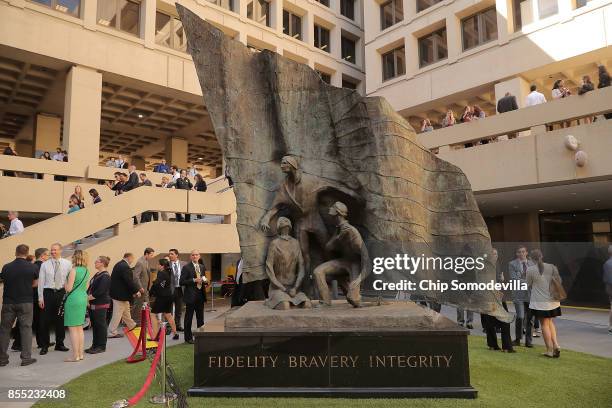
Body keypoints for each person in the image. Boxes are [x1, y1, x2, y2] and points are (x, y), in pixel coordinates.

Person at [313, 202, 369, 307]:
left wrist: (358, 280)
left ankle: (353, 293)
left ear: (338, 214)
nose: (330, 215)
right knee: (318, 272)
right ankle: (325, 301)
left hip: (354, 265)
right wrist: (338, 238)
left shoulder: (352, 231)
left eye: (333, 211)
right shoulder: (338, 229)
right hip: (343, 261)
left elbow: (365, 258)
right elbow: (328, 247)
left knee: (354, 301)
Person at [0, 244, 38, 367]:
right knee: (26, 329)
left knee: (4, 330)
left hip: (8, 302)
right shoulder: (32, 267)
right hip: (26, 301)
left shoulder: (6, 267)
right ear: (27, 253)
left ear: (15, 252)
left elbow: (4, 281)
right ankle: (26, 358)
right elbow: (35, 283)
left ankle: (2, 359)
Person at [264, 217, 311, 310]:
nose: (285, 227)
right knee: (285, 305)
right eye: (283, 225)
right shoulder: (274, 244)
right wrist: (282, 288)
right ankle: (270, 300)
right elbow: (269, 268)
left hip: (294, 289)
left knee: (307, 304)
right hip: (278, 288)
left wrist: (295, 287)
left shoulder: (295, 243)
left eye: (287, 225)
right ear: (279, 228)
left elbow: (301, 267)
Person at [527, 249, 562, 358]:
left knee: (544, 325)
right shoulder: (552, 267)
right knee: (550, 323)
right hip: (553, 301)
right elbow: (559, 281)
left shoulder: (531, 269)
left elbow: (528, 284)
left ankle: (549, 350)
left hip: (540, 302)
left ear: (531, 259)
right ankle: (556, 345)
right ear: (541, 256)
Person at [37, 243, 71, 354]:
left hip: (61, 293)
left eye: (55, 250)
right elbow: (41, 282)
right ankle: (44, 345)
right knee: (44, 321)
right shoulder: (44, 265)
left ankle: (60, 344)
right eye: (51, 250)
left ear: (60, 250)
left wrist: (68, 295)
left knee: (60, 320)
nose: (53, 252)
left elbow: (69, 280)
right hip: (47, 293)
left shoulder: (67, 263)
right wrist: (40, 298)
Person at [480, 248, 514, 352]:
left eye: (496, 254)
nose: (494, 256)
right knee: (498, 321)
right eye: (492, 254)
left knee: (496, 321)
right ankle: (502, 346)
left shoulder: (496, 265)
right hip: (490, 297)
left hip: (497, 297)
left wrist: (502, 280)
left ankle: (496, 345)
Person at [63, 250, 89, 362]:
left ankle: (75, 356)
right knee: (79, 328)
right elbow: (86, 287)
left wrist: (64, 281)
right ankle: (80, 354)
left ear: (75, 257)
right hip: (82, 297)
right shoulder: (86, 271)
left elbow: (68, 288)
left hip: (73, 299)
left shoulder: (73, 270)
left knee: (73, 328)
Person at [108, 253, 141, 338]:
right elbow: (129, 281)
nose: (132, 261)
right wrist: (136, 291)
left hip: (118, 294)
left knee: (126, 310)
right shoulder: (125, 267)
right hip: (120, 295)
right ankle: (112, 332)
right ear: (129, 258)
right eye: (132, 259)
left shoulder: (119, 264)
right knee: (117, 314)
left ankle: (132, 325)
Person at [180, 250, 209, 344]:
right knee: (189, 318)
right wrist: (193, 280)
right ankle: (188, 338)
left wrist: (206, 282)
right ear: (190, 257)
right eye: (193, 255)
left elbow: (203, 278)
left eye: (196, 255)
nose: (195, 256)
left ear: (199, 256)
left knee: (200, 317)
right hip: (190, 296)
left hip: (200, 295)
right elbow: (182, 281)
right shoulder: (186, 267)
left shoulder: (202, 266)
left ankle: (201, 336)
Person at [509, 245, 534, 347]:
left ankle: (529, 341)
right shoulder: (512, 264)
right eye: (519, 252)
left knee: (530, 319)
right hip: (518, 295)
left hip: (531, 295)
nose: (521, 254)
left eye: (523, 252)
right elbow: (514, 279)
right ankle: (518, 339)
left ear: (526, 253)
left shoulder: (532, 264)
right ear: (516, 254)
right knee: (520, 317)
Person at [86, 256, 111, 354]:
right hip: (93, 305)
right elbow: (91, 288)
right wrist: (87, 297)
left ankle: (101, 346)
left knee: (100, 326)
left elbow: (99, 292)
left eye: (97, 261)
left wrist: (86, 298)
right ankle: (95, 345)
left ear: (102, 263)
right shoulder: (97, 274)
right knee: (95, 326)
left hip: (100, 305)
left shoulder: (105, 276)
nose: (95, 263)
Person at [150, 259, 179, 340]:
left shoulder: (162, 273)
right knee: (168, 314)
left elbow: (157, 284)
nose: (157, 266)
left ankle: (155, 336)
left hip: (162, 297)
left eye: (158, 264)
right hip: (169, 296)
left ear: (162, 266)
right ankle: (175, 334)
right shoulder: (169, 272)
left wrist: (154, 281)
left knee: (153, 314)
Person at [130, 248, 155, 324]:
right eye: (151, 255)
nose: (152, 256)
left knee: (146, 305)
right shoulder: (140, 262)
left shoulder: (146, 261)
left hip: (145, 288)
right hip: (141, 288)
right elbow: (135, 277)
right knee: (137, 305)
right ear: (146, 254)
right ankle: (134, 321)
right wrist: (140, 287)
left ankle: (146, 321)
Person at [168, 249, 185, 331]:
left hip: (180, 289)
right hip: (170, 289)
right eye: (169, 254)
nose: (170, 255)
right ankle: (169, 326)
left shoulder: (184, 264)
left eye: (172, 254)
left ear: (177, 255)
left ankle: (178, 325)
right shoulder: (167, 265)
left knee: (179, 309)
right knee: (169, 309)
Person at [603, 245, 612, 335]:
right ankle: (611, 326)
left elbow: (606, 279)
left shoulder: (607, 263)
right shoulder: (609, 263)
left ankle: (610, 326)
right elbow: (609, 279)